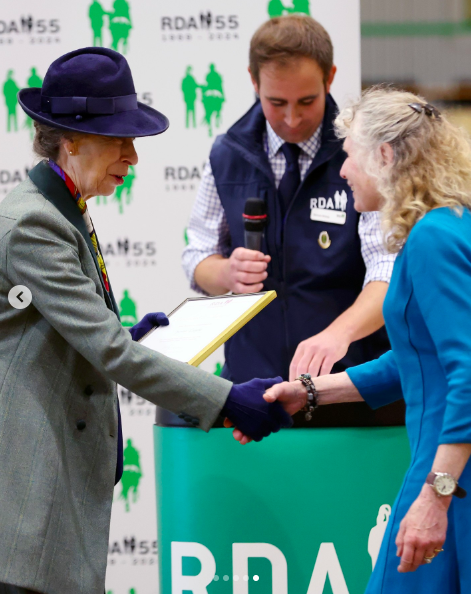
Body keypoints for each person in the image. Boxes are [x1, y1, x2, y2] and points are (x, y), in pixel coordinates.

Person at [0, 47, 292, 594]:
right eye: (120, 140)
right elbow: (109, 354)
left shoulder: (62, 205)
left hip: (55, 486)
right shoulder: (34, 225)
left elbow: (69, 332)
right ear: (72, 140)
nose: (132, 158)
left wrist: (125, 331)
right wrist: (227, 400)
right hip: (29, 499)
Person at [260, 87, 471, 593]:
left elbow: (466, 372)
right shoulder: (444, 227)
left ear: (384, 156)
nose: (343, 170)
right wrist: (311, 392)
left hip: (449, 477)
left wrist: (436, 496)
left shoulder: (432, 239)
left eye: (350, 155)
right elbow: (416, 361)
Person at [182, 15, 403, 426]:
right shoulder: (227, 153)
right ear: (253, 80)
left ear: (330, 77)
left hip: (350, 392)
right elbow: (197, 258)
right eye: (275, 103)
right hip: (256, 394)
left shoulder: (362, 155)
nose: (291, 119)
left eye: (306, 101)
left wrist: (338, 335)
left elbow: (387, 271)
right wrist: (227, 272)